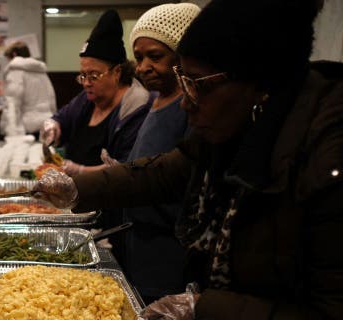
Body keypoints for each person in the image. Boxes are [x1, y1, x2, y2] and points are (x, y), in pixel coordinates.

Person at [33, 0, 343, 318]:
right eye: (183, 81)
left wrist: (204, 307)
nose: (185, 103)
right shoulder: (237, 127)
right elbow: (165, 172)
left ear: (260, 86)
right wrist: (78, 187)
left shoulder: (325, 159)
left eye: (196, 84)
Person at [113, 2, 200, 304]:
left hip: (169, 256)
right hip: (139, 249)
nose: (143, 67)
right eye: (138, 58)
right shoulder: (156, 100)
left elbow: (178, 184)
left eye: (155, 56)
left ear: (184, 57)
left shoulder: (191, 111)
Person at [40, 9, 152, 176]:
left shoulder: (136, 107)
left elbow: (126, 166)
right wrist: (53, 126)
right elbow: (63, 117)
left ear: (117, 72)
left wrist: (80, 171)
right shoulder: (88, 99)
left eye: (94, 76)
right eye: (83, 75)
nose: (86, 83)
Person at [0, 41, 57, 138]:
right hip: (46, 123)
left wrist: (8, 129)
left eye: (8, 59)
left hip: (26, 126)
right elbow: (52, 100)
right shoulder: (41, 72)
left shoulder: (16, 71)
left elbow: (12, 103)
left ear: (14, 54)